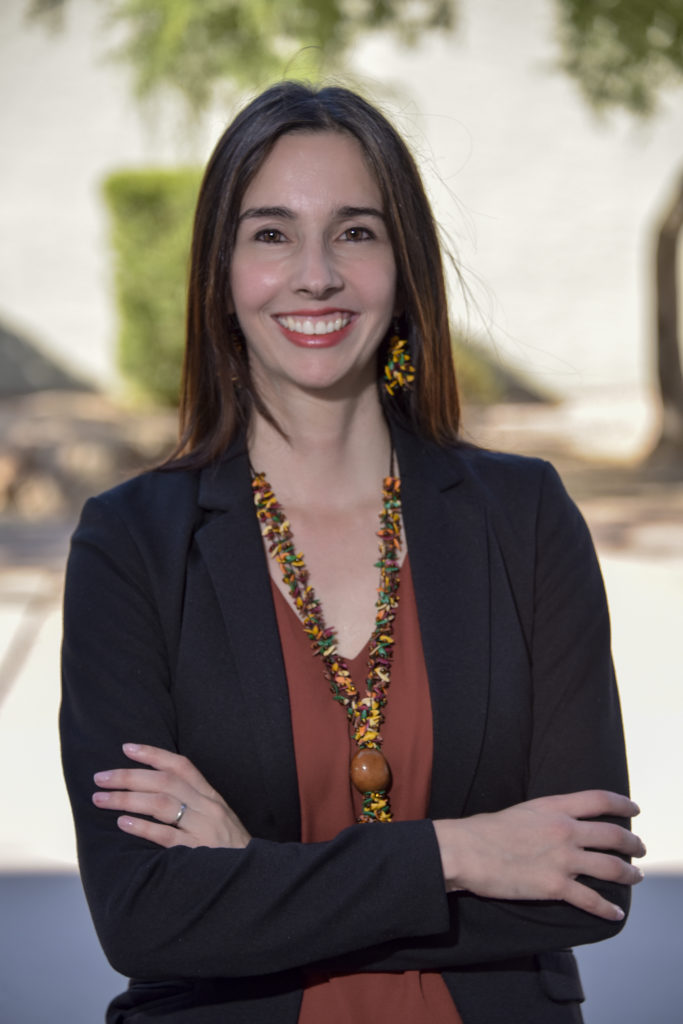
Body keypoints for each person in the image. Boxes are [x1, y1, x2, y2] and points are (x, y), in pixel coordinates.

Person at [60, 81, 645, 1024]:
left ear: (403, 265)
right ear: (220, 272)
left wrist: (253, 879)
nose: (316, 274)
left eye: (356, 232)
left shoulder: (523, 515)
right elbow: (142, 916)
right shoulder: (131, 543)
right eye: (271, 233)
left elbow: (589, 878)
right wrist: (459, 853)